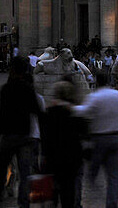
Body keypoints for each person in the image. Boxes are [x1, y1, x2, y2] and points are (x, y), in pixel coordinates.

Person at [81, 71, 118, 208]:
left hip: (100, 138)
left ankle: (93, 191)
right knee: (114, 175)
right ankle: (111, 203)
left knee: (93, 170)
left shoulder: (94, 97)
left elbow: (83, 113)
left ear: (97, 81)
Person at [0, 56, 42, 206]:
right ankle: (23, 201)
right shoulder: (29, 89)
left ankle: (1, 186)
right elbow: (37, 112)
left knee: (3, 164)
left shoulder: (6, 89)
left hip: (8, 134)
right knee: (24, 171)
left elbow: (1, 115)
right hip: (24, 135)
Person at [43, 79, 85, 208]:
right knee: (69, 192)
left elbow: (45, 136)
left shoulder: (49, 112)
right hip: (72, 158)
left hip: (53, 157)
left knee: (53, 191)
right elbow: (83, 133)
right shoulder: (75, 111)